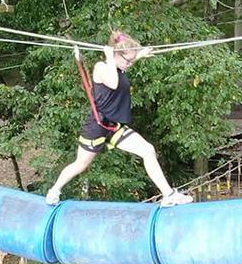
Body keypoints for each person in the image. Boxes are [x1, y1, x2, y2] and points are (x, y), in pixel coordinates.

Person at [44, 31, 193, 207]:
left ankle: (168, 195)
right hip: (98, 126)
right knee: (80, 164)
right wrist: (109, 57)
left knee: (148, 150)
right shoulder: (101, 67)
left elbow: (122, 64)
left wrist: (139, 55)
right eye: (127, 60)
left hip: (115, 127)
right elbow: (113, 83)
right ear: (115, 54)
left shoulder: (119, 66)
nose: (129, 64)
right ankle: (54, 190)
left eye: (131, 61)